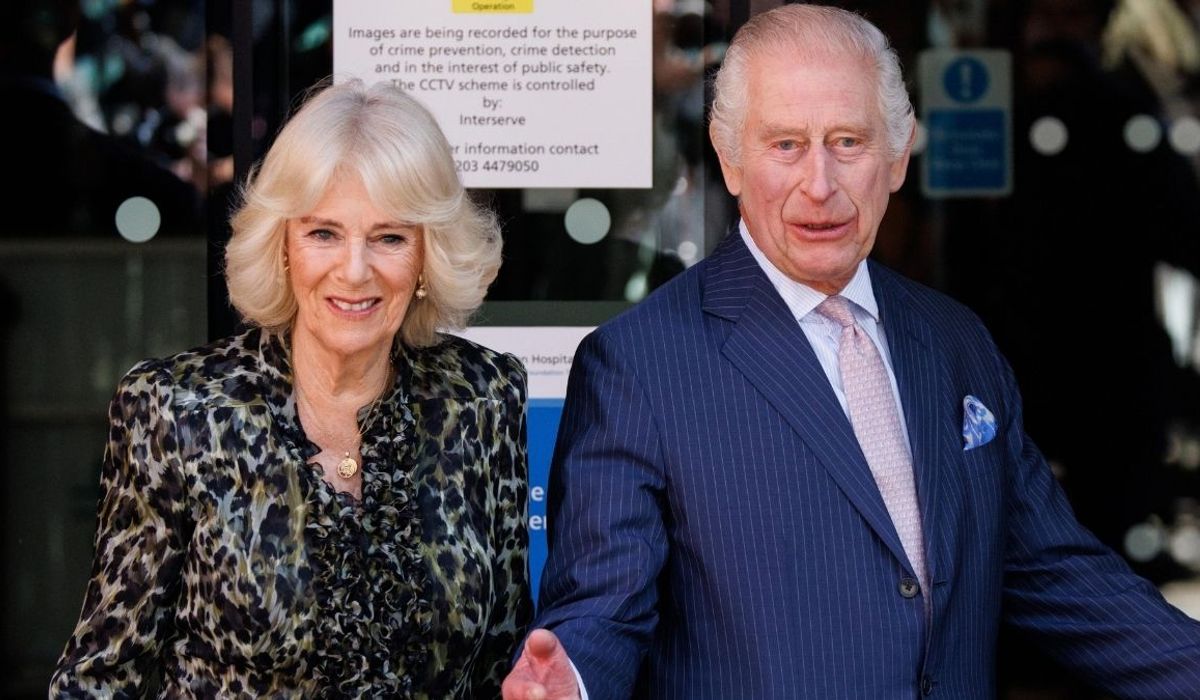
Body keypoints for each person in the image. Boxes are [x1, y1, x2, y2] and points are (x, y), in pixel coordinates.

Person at [502, 5, 1200, 699]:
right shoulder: (639, 364)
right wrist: (571, 681)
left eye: (848, 142)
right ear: (730, 158)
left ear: (898, 155)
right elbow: (603, 609)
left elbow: (1056, 571)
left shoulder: (955, 338)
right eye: (785, 145)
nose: (819, 184)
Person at [50, 78, 532, 697]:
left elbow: (499, 663)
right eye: (323, 233)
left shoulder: (483, 396)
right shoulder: (177, 411)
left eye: (389, 237)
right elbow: (98, 679)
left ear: (426, 255)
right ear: (282, 246)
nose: (354, 270)